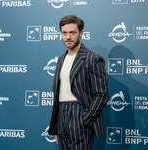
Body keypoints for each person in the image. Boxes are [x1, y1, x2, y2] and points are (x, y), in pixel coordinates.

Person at [48, 15, 109, 150]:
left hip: (79, 114)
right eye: (64, 33)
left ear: (81, 33)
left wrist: (85, 119)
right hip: (61, 117)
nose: (68, 37)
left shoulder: (92, 59)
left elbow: (102, 94)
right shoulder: (60, 60)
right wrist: (57, 126)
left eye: (72, 32)